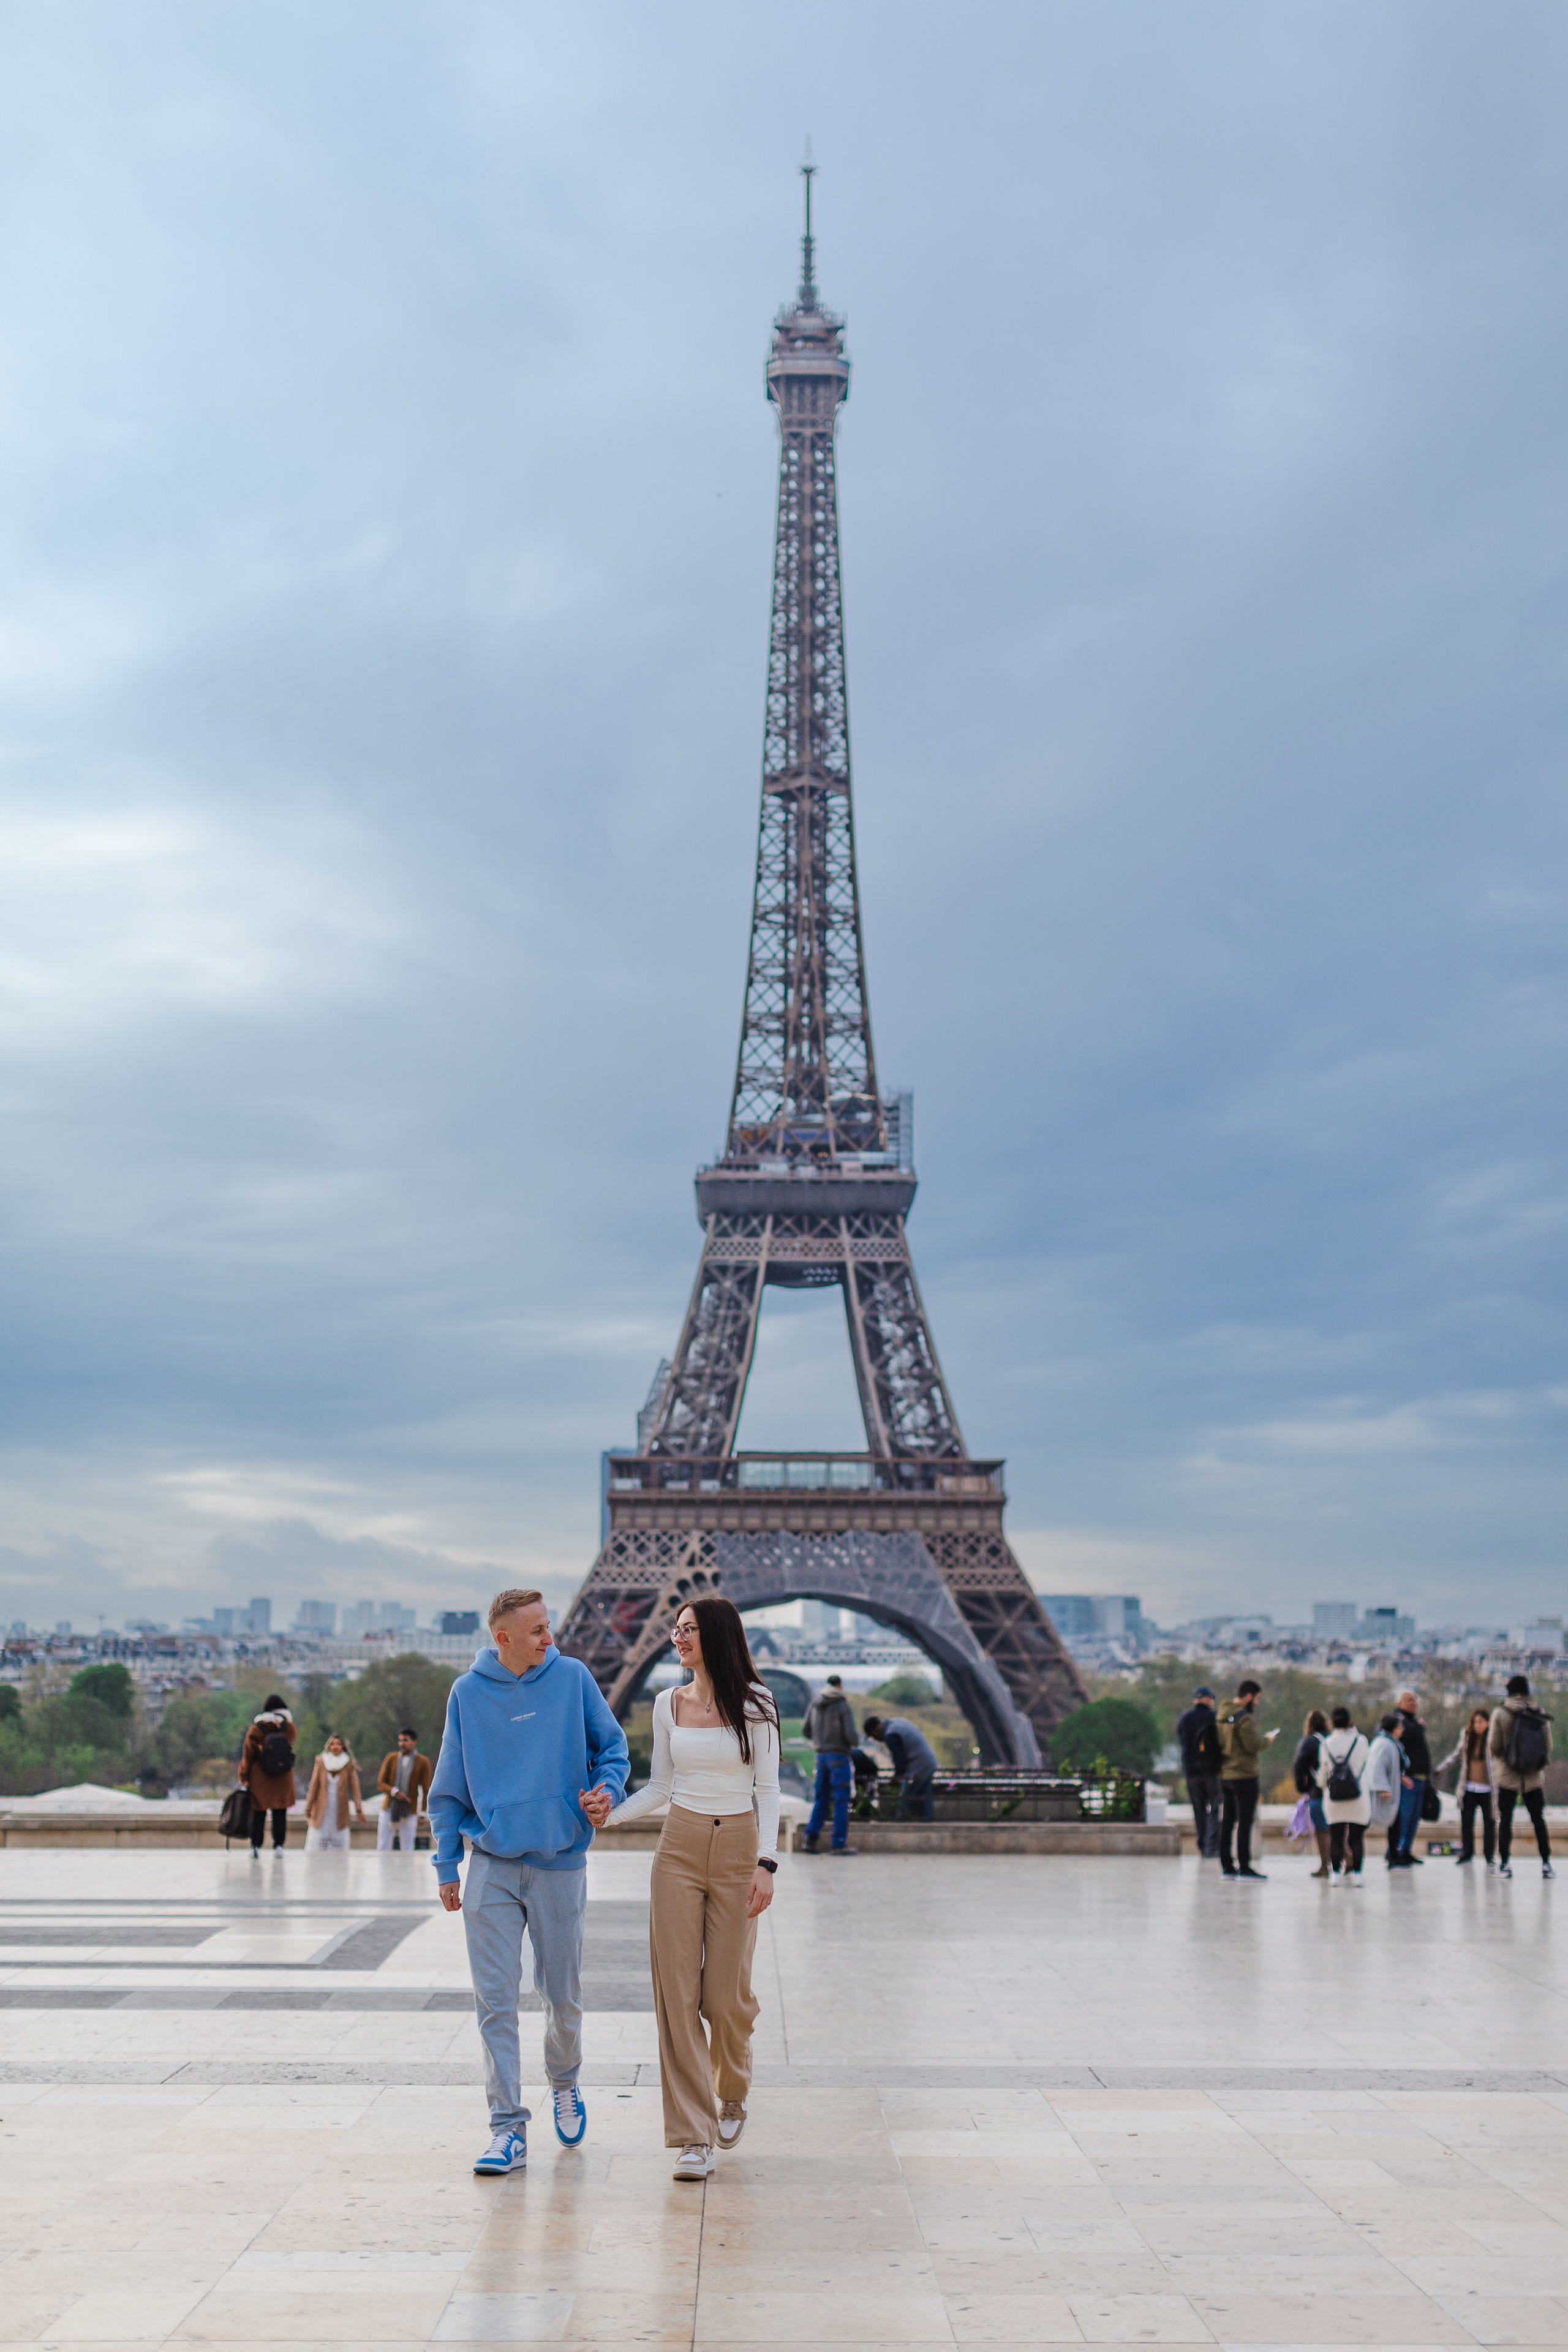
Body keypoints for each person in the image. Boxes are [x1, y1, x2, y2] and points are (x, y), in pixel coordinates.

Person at [429, 1587, 629, 2177]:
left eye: (548, 1626)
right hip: (491, 1863)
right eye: (538, 1630)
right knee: (495, 2003)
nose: (551, 1637)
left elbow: (613, 1749)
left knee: (562, 1997)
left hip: (560, 1860)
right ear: (504, 1639)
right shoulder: (467, 1694)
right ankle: (507, 2129)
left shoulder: (572, 1678)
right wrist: (446, 1866)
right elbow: (447, 1789)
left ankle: (565, 2082)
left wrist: (607, 1793)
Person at [606, 1594, 779, 2183]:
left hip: (737, 1848)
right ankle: (693, 2136)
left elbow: (770, 1789)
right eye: (675, 1630)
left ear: (717, 1637)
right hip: (677, 1848)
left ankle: (732, 2090)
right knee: (675, 1996)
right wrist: (609, 1817)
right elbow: (658, 1785)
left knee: (724, 1999)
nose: (676, 1639)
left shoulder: (757, 1703)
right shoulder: (666, 1704)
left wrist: (767, 1863)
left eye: (687, 1631)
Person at [1490, 1673, 1555, 1880]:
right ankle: (1546, 1864)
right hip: (1534, 1777)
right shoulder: (1539, 1713)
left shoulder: (1500, 1713)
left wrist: (1507, 1758)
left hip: (1508, 1775)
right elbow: (1549, 1746)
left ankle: (1505, 1864)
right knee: (1538, 1820)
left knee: (1505, 1821)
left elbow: (1494, 1746)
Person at [1217, 1679, 1277, 1880]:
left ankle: (1227, 1865)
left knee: (1227, 1821)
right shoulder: (1244, 1719)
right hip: (1244, 1775)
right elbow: (1251, 1746)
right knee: (1245, 1821)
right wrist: (1267, 1741)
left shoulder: (1222, 1715)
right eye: (1257, 1699)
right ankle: (1244, 1866)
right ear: (1249, 1696)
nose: (1257, 1703)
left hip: (1225, 1774)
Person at [800, 1673, 858, 1855]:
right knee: (841, 1801)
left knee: (821, 1799)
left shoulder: (815, 1704)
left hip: (821, 1757)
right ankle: (839, 1843)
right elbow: (851, 1736)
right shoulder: (842, 1705)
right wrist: (855, 1741)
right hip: (839, 1757)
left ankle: (811, 1840)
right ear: (839, 1685)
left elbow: (806, 1730)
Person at [1436, 1708, 1496, 1867]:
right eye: (1475, 1722)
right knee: (1466, 1823)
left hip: (1488, 1790)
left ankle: (1489, 1855)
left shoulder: (1493, 1738)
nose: (1477, 1725)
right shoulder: (1467, 1736)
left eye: (1481, 1722)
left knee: (1489, 1824)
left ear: (1488, 1722)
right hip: (1469, 1788)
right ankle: (1467, 1853)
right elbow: (1457, 1756)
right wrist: (1441, 1769)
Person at [1316, 1706, 1370, 1880]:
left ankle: (1336, 1875)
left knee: (1336, 1837)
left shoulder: (1326, 1743)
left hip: (1334, 1796)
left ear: (1332, 1722)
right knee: (1356, 1838)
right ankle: (1358, 1874)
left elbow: (1323, 1769)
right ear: (1350, 1721)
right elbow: (1366, 1763)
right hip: (1357, 1796)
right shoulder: (1361, 1741)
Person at [239, 1694, 297, 1856]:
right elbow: (291, 1743)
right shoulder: (288, 1728)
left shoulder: (257, 1729)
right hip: (283, 1776)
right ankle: (279, 1845)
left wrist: (244, 1776)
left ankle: (256, 1846)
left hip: (260, 1776)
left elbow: (248, 1755)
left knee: (259, 1813)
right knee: (280, 1813)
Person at [861, 1711, 937, 1820]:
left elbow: (900, 1762)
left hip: (919, 1765)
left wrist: (895, 1779)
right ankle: (926, 1824)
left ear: (876, 1730)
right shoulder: (897, 1723)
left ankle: (900, 1825)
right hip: (929, 1762)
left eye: (874, 1736)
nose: (876, 1739)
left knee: (905, 1798)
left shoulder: (891, 1734)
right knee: (925, 1797)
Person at [1177, 1687, 1223, 1863]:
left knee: (1199, 1809)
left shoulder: (1184, 1719)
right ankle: (1211, 1845)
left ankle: (1203, 1843)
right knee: (1215, 1806)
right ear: (1206, 1699)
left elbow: (1182, 1742)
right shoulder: (1214, 1717)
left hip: (1191, 1772)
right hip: (1210, 1770)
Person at [1390, 1689, 1432, 1867]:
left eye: (1415, 1700)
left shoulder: (1413, 1722)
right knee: (1404, 1817)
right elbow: (1408, 1733)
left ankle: (1406, 1851)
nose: (1413, 1703)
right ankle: (1396, 1851)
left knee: (1414, 1818)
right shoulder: (1397, 1720)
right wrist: (1420, 1727)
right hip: (1407, 1779)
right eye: (1408, 1700)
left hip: (1420, 1778)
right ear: (1399, 1703)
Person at [303, 1733, 366, 1852]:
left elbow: (355, 1788)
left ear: (343, 1747)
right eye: (332, 1744)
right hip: (322, 1808)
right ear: (329, 1746)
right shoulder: (322, 1761)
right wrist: (308, 1807)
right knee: (318, 1846)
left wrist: (359, 1809)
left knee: (339, 1846)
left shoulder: (348, 1763)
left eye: (338, 1744)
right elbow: (314, 1785)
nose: (335, 1747)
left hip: (339, 1808)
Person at [377, 1726, 434, 1852]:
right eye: (400, 1740)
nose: (402, 1744)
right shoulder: (391, 1758)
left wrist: (423, 1813)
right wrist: (394, 1792)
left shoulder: (422, 1762)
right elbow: (381, 1783)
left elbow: (426, 1790)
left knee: (407, 1847)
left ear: (414, 1742)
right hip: (390, 1807)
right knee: (383, 1845)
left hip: (409, 1809)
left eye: (406, 1740)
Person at [1293, 1709, 1332, 1878]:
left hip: (1318, 1791)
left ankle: (1325, 1866)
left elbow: (1299, 1765)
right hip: (1338, 1791)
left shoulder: (1309, 1742)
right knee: (1336, 1829)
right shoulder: (1332, 1740)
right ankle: (1348, 1859)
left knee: (1322, 1830)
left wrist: (1302, 1787)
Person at [1366, 1713, 1406, 1863]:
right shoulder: (1385, 1745)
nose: (1402, 1730)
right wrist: (1383, 1788)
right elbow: (1378, 1767)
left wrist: (1400, 1778)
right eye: (1400, 1727)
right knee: (1391, 1822)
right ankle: (1393, 1855)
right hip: (1384, 1793)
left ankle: (1393, 1853)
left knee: (1395, 1822)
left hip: (1389, 1790)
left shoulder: (1387, 1743)